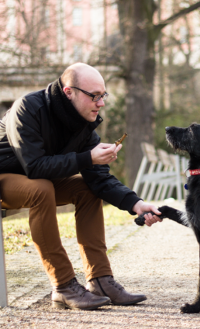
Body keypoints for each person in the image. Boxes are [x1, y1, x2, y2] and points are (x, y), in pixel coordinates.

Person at [0, 63, 162, 310]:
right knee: (41, 188)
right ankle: (63, 285)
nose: (101, 103)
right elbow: (34, 167)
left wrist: (136, 204)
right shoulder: (28, 108)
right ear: (68, 92)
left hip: (39, 180)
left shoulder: (85, 123)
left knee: (87, 188)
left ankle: (100, 279)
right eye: (94, 96)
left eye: (103, 95)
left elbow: (100, 179)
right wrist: (87, 158)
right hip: (6, 177)